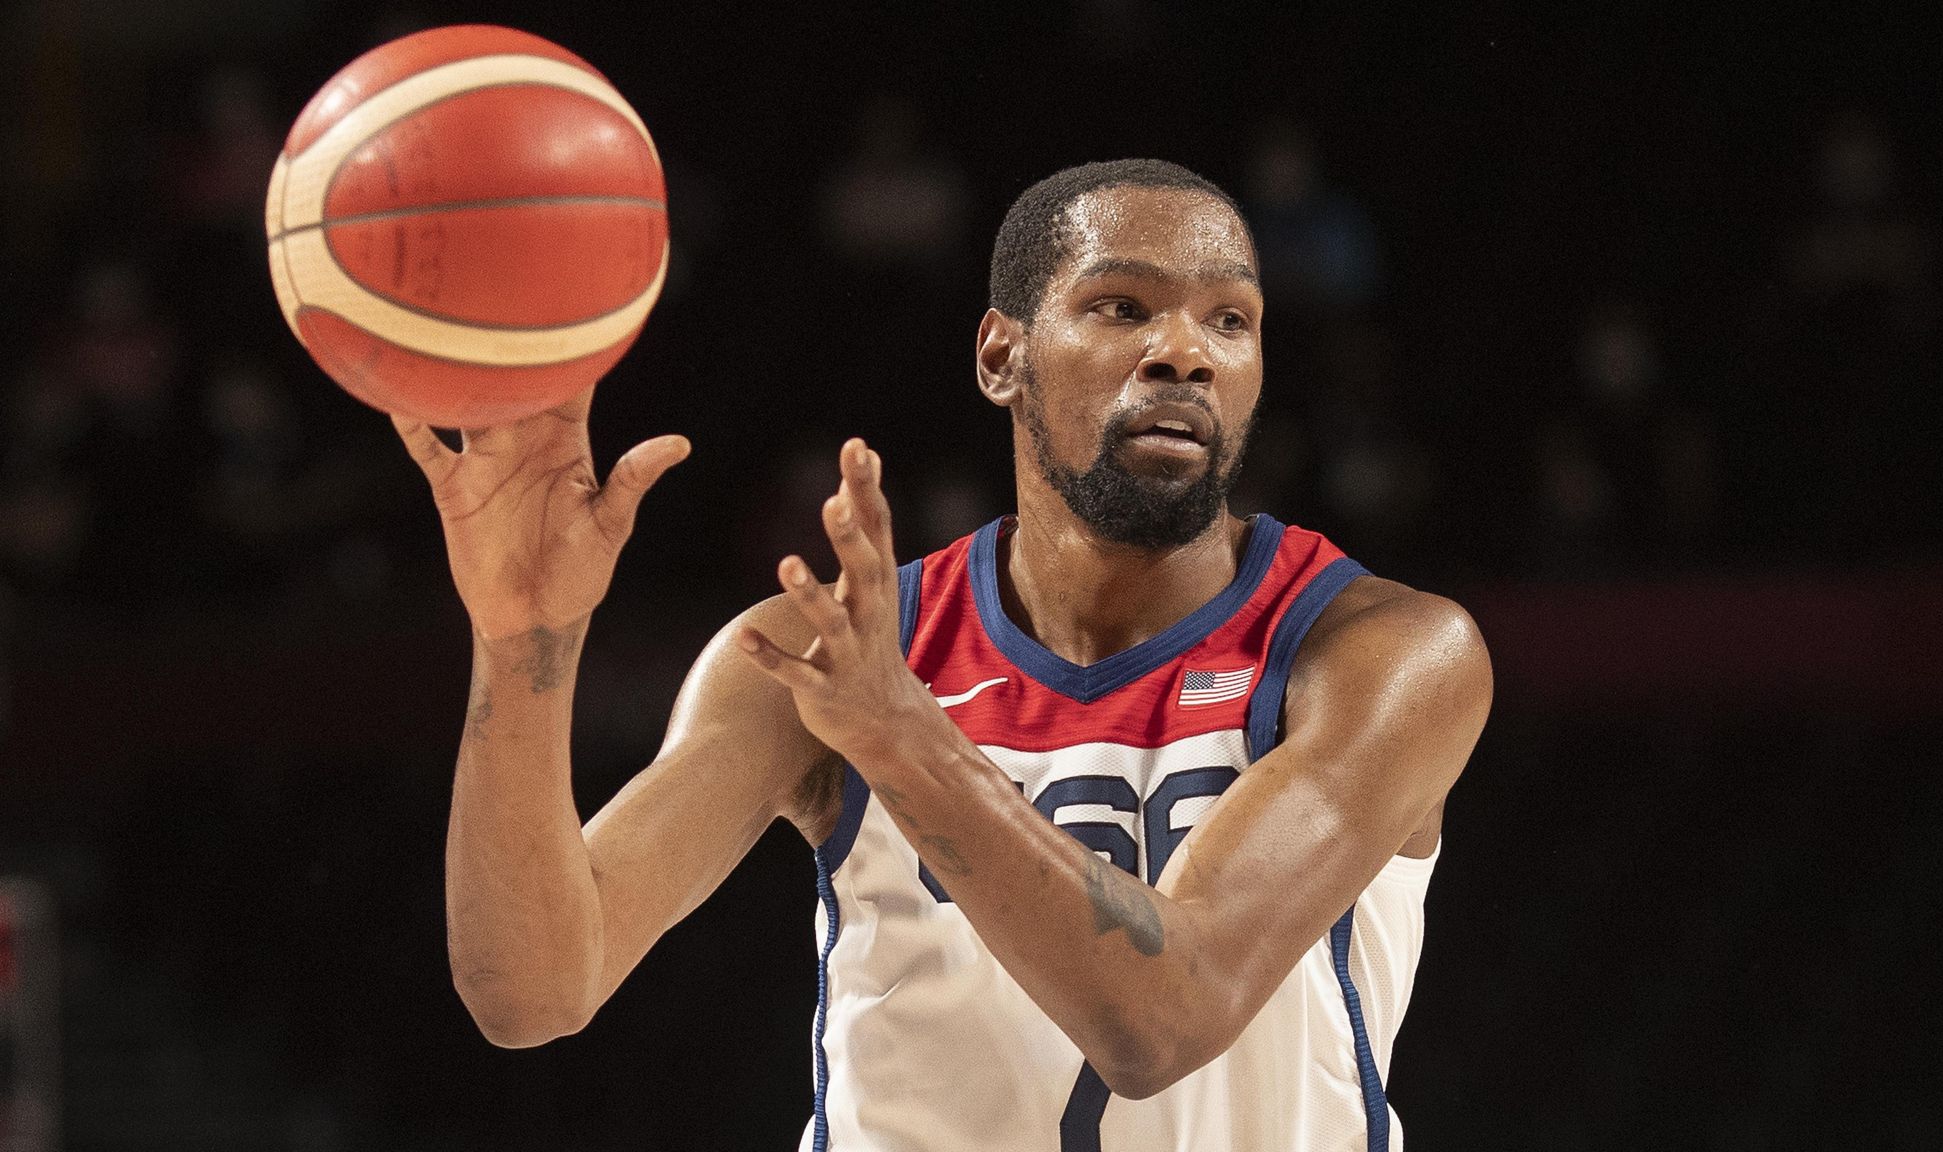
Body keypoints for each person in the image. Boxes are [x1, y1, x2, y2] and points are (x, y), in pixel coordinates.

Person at [392, 159, 1492, 1152]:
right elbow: (532, 991)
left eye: (1230, 322)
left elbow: (1165, 1021)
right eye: (1121, 306)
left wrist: (900, 736)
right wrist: (523, 632)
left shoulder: (1382, 652)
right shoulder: (820, 651)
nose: (1182, 352)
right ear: (999, 354)